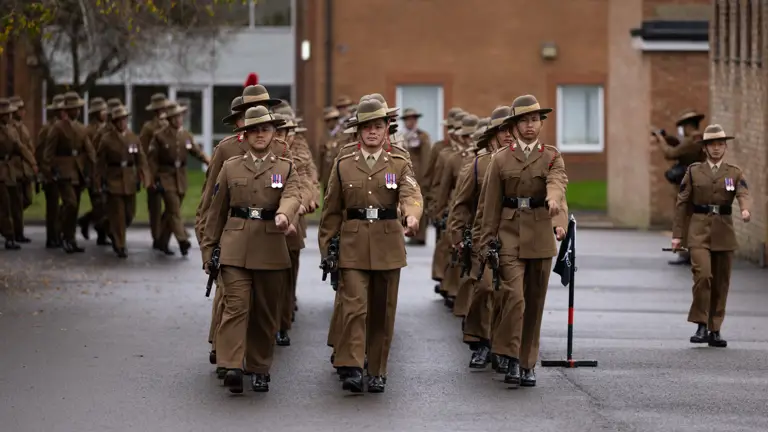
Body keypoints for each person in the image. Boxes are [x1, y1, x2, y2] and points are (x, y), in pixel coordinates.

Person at [318, 97, 423, 393]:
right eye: (367, 127)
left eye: (378, 126)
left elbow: (411, 195)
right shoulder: (344, 163)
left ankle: (377, 369)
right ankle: (352, 365)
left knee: (382, 312)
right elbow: (331, 211)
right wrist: (328, 249)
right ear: (358, 131)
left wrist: (412, 217)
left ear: (386, 128)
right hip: (352, 245)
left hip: (388, 245)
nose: (373, 132)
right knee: (354, 308)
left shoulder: (399, 162)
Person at [201, 105, 301, 393]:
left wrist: (285, 214)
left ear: (273, 134)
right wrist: (209, 252)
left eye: (265, 129)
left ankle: (258, 367)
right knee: (236, 305)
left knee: (265, 312)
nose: (260, 134)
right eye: (254, 130)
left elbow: (293, 194)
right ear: (244, 135)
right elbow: (215, 213)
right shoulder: (230, 167)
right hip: (235, 246)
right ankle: (232, 365)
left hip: (270, 245)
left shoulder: (285, 167)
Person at [478, 95, 568, 388]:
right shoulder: (500, 159)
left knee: (534, 302)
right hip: (509, 234)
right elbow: (490, 203)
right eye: (524, 121)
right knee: (514, 297)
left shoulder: (551, 155)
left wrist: (555, 207)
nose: (530, 125)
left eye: (535, 120)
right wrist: (484, 242)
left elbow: (557, 183)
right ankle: (511, 356)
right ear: (514, 126)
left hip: (541, 234)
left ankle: (527, 363)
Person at [196, 85, 283, 370]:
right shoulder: (227, 149)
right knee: (230, 298)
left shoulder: (280, 149)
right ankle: (224, 352)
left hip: (267, 239)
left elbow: (295, 185)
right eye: (249, 112)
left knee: (260, 306)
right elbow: (211, 198)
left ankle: (249, 358)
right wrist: (206, 239)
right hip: (231, 236)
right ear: (240, 118)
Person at [671, 124, 752, 348]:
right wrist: (677, 235)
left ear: (725, 147)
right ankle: (700, 325)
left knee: (721, 282)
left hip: (724, 232)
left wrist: (745, 208)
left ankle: (715, 329)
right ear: (705, 148)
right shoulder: (694, 171)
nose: (716, 149)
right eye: (711, 145)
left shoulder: (734, 172)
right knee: (703, 276)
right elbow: (682, 203)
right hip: (698, 231)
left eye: (720, 144)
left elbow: (743, 192)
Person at [147, 102, 209, 256]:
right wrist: (152, 180)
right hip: (165, 176)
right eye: (174, 117)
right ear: (169, 119)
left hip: (180, 177)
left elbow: (197, 152)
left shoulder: (186, 136)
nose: (178, 119)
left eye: (180, 116)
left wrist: (210, 161)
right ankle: (183, 240)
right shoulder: (159, 136)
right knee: (174, 209)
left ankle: (162, 241)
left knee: (170, 212)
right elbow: (152, 160)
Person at [41, 92, 97, 253]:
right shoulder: (57, 128)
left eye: (78, 108)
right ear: (67, 110)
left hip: (78, 171)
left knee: (75, 206)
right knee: (70, 203)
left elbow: (89, 150)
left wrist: (93, 168)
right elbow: (48, 154)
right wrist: (49, 171)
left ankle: (70, 239)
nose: (77, 111)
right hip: (63, 171)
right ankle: (62, 232)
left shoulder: (81, 129)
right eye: (73, 108)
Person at [94, 105, 150, 258]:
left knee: (129, 214)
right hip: (114, 179)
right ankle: (120, 245)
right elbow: (99, 163)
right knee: (118, 214)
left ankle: (105, 226)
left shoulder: (133, 138)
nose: (122, 123)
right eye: (119, 120)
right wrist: (98, 181)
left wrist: (144, 175)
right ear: (114, 122)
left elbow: (141, 159)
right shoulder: (106, 139)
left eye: (124, 120)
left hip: (129, 180)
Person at [654, 110, 707, 266]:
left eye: (683, 128)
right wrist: (668, 138)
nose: (682, 131)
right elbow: (680, 146)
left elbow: (671, 153)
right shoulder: (697, 139)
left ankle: (686, 254)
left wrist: (660, 141)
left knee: (683, 219)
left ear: (688, 126)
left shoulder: (692, 140)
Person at [0, 98, 37, 250]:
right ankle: (9, 236)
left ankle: (12, 233)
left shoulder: (10, 130)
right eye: (6, 114)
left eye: (10, 113)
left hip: (9, 171)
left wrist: (33, 163)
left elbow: (20, 147)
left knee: (15, 201)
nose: (9, 116)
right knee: (5, 204)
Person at [139, 93, 172, 250]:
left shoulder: (171, 125)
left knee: (172, 206)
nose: (162, 111)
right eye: (160, 108)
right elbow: (142, 151)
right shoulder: (148, 128)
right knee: (155, 207)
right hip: (153, 171)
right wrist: (145, 174)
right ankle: (156, 237)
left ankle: (162, 237)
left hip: (168, 172)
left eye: (164, 108)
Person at [78, 97, 111, 245]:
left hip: (106, 171)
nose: (105, 113)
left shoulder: (108, 129)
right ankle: (100, 234)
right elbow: (86, 154)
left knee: (106, 206)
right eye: (102, 111)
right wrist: (87, 174)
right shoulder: (89, 131)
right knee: (99, 204)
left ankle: (86, 221)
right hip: (93, 172)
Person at [37, 94, 65, 248]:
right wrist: (44, 171)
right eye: (60, 110)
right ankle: (52, 237)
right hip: (50, 171)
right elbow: (40, 150)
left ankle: (58, 232)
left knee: (65, 204)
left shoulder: (65, 127)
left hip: (63, 171)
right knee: (52, 206)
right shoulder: (47, 129)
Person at [8, 96, 35, 243]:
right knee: (17, 202)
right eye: (20, 109)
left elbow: (28, 146)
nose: (23, 111)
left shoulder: (23, 127)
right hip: (14, 168)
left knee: (28, 199)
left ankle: (10, 221)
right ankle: (18, 232)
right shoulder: (10, 128)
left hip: (26, 169)